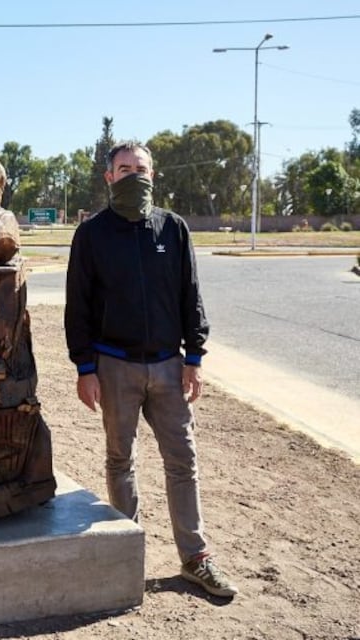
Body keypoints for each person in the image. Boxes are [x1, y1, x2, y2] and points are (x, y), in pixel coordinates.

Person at [64, 141, 238, 599]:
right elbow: (77, 307)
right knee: (120, 460)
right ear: (109, 177)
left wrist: (194, 358)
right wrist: (85, 367)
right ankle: (127, 550)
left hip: (168, 367)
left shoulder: (174, 229)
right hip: (114, 365)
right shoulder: (92, 235)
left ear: (153, 175)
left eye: (140, 168)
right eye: (124, 169)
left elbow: (190, 297)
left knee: (183, 462)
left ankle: (196, 558)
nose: (133, 176)